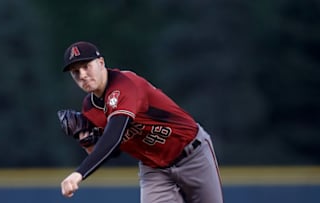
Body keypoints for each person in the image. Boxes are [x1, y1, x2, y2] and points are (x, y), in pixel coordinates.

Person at [58, 41, 223, 203]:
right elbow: (114, 151)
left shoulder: (125, 84)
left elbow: (113, 137)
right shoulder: (90, 108)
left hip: (192, 154)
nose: (82, 75)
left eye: (86, 66)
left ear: (101, 63)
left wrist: (80, 173)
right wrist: (88, 142)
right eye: (75, 72)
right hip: (154, 169)